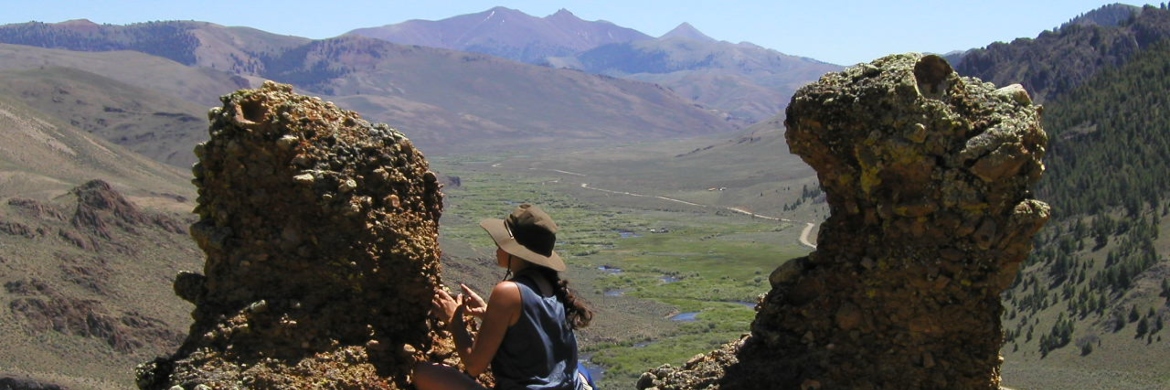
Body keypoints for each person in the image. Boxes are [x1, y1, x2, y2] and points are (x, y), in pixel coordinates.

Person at [415, 204, 594, 390]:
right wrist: (488, 314)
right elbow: (535, 334)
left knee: (424, 373)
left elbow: (474, 366)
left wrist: (454, 320)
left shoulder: (508, 291)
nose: (496, 246)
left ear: (514, 250)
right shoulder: (550, 284)